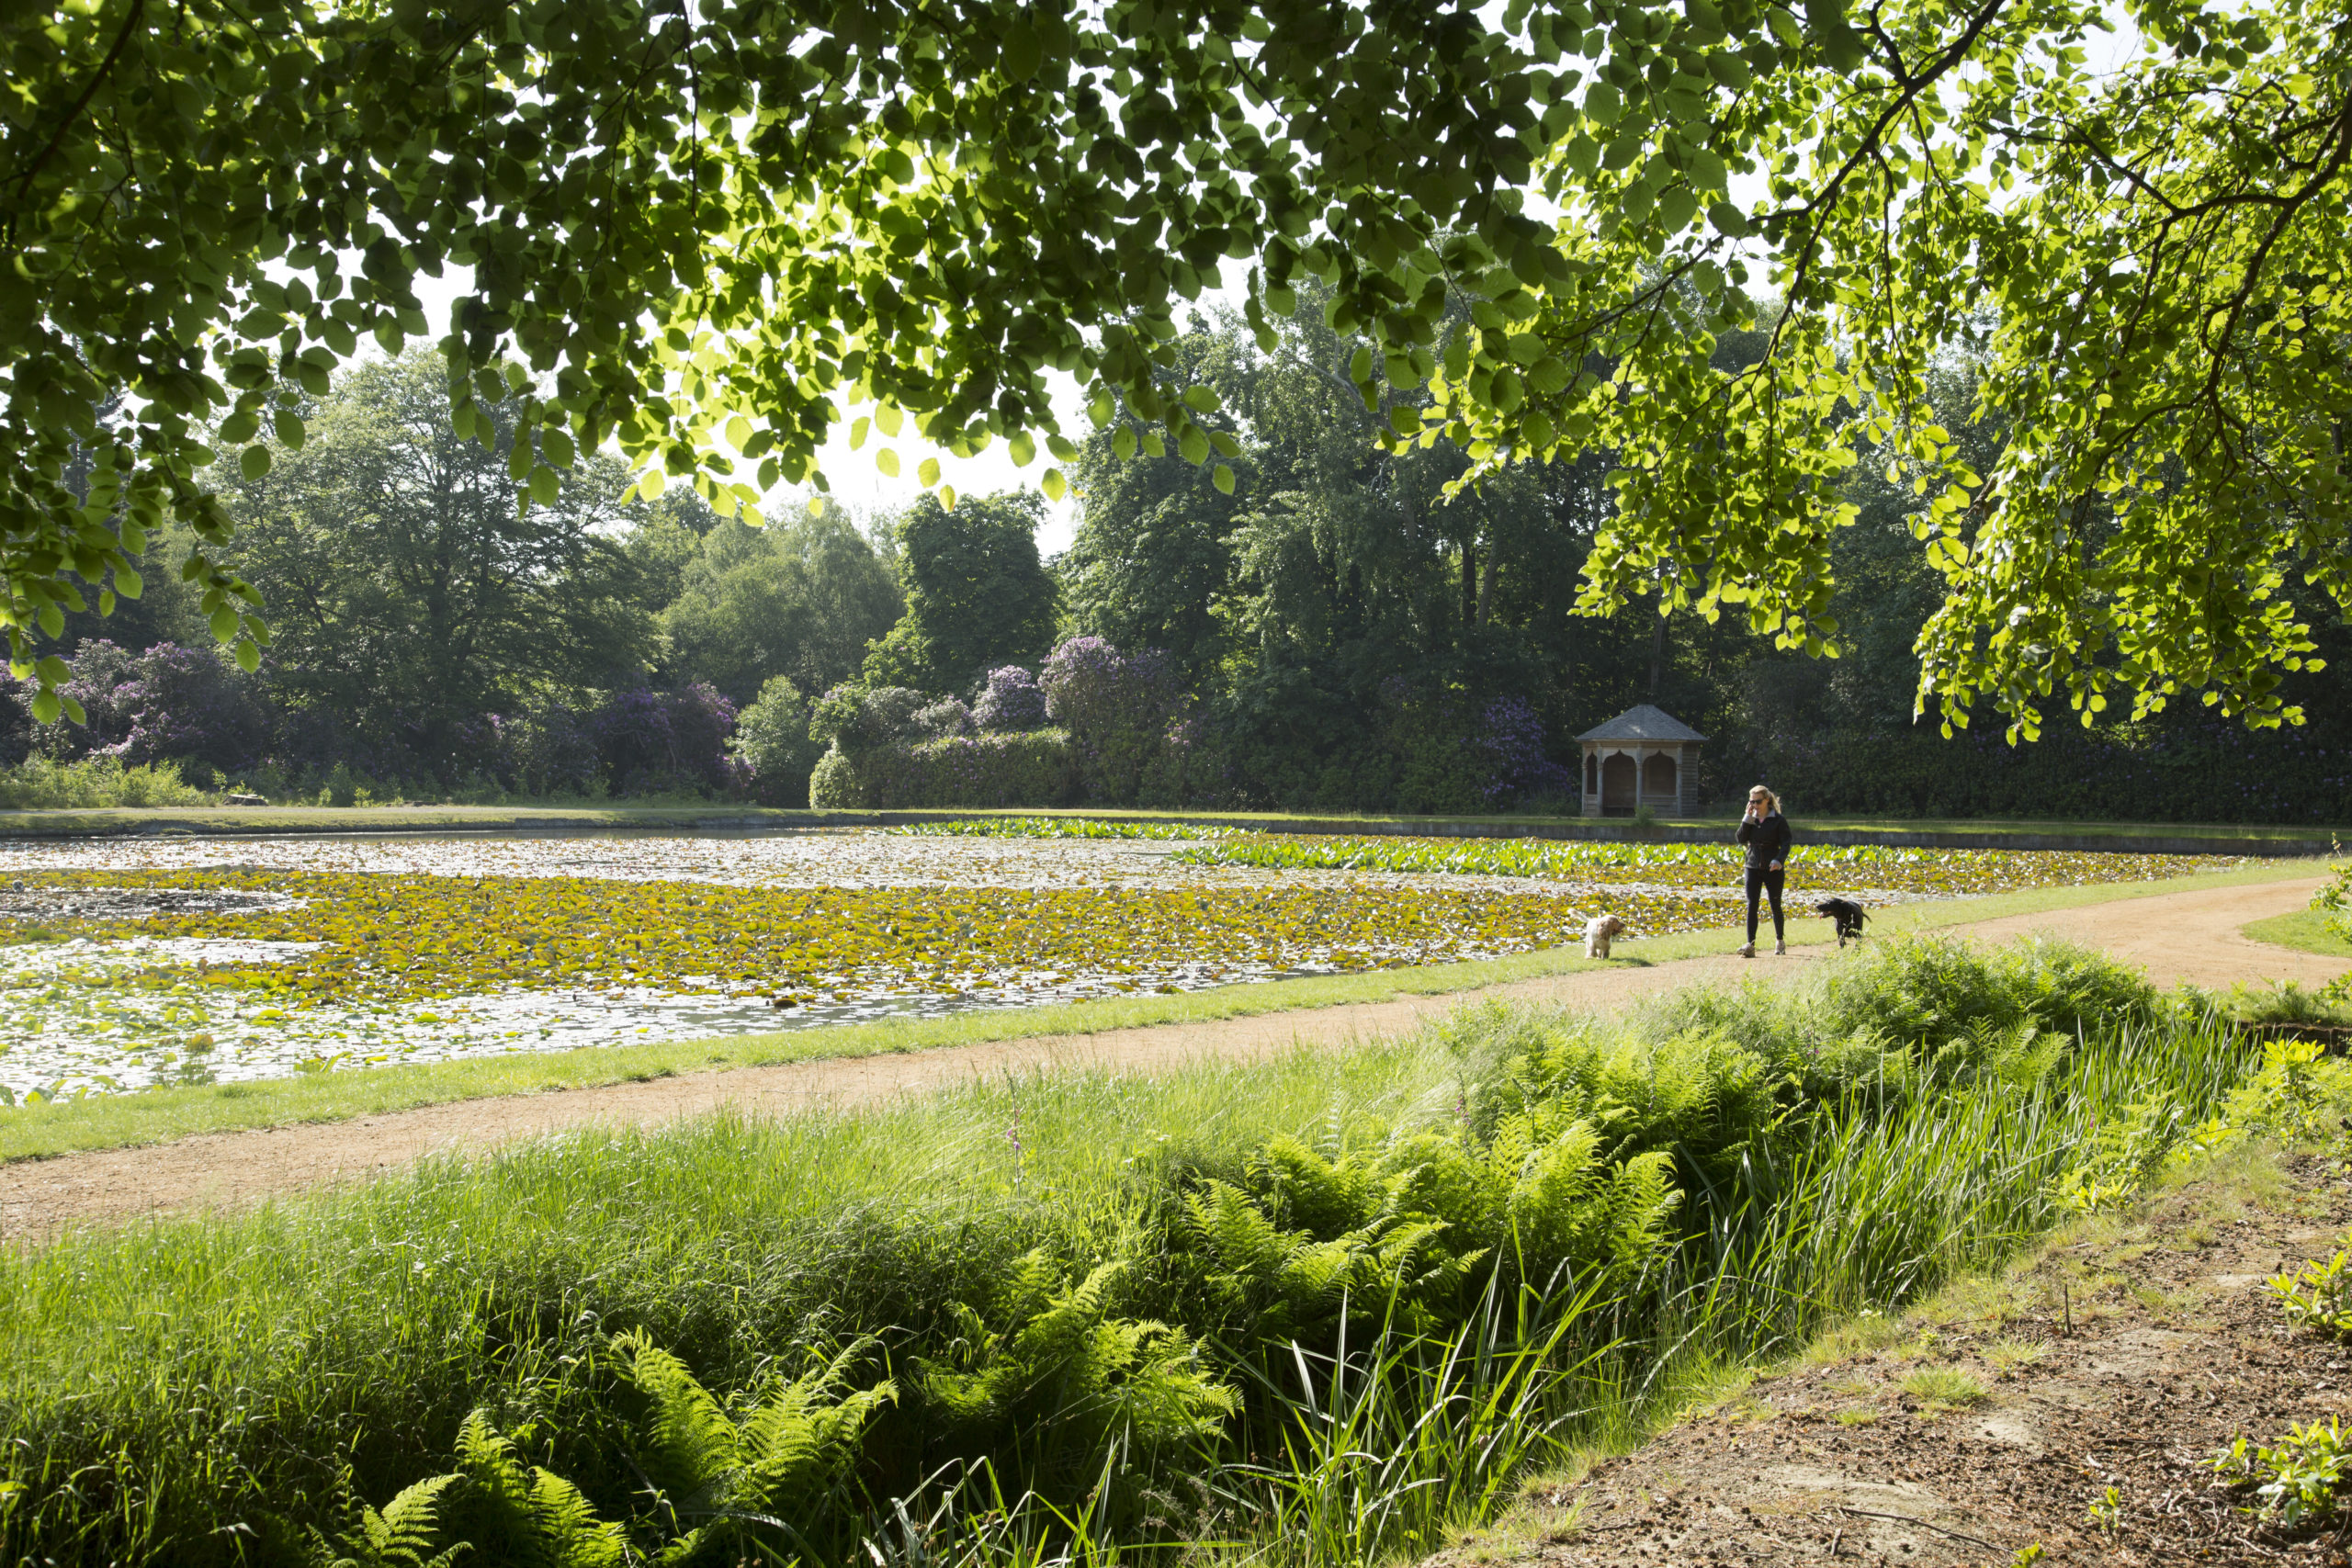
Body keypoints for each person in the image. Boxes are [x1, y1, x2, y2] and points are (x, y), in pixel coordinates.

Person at [1736, 784, 1791, 957]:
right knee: (1752, 904)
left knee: (1775, 904)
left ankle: (1780, 940)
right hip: (1752, 866)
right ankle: (1750, 944)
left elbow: (1786, 843)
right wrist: (1747, 818)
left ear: (1767, 800)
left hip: (1772, 867)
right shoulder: (1750, 819)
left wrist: (1779, 860)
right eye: (1751, 801)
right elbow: (1740, 839)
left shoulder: (1778, 820)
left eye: (1758, 801)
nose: (1755, 805)